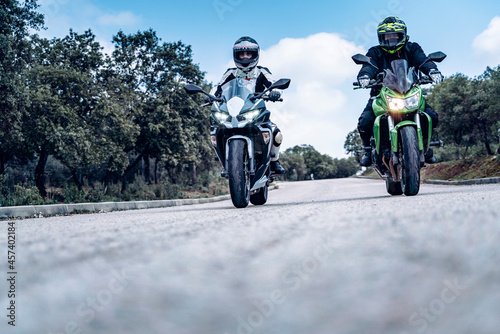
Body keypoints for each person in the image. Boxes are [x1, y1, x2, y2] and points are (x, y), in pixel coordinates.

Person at [357, 16, 443, 166]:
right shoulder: (375, 52)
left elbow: (423, 61)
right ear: (380, 38)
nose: (391, 40)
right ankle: (367, 150)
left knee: (432, 116)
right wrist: (364, 76)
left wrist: (433, 71)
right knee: (365, 122)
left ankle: (426, 147)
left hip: (409, 92)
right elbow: (368, 65)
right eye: (387, 37)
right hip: (381, 94)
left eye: (394, 36)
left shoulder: (412, 48)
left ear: (402, 35)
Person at [211, 36, 285, 174]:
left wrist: (275, 92)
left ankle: (274, 160)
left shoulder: (262, 71)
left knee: (276, 133)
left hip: (255, 109)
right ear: (236, 55)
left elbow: (273, 83)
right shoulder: (230, 73)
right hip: (233, 111)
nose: (245, 57)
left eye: (248, 53)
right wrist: (210, 96)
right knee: (216, 129)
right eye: (241, 54)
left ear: (255, 54)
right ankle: (225, 160)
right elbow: (217, 87)